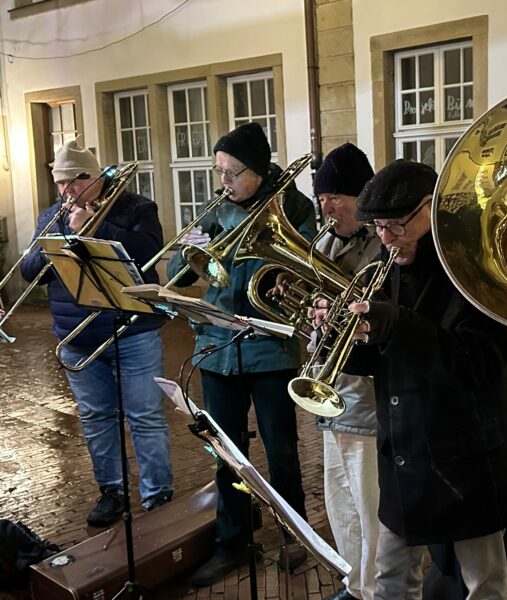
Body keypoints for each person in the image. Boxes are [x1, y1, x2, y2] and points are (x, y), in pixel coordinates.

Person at [317, 159, 507, 599]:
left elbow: (479, 366)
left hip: (465, 459)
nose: (386, 239)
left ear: (429, 208)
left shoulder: (477, 268)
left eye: (395, 225)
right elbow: (381, 362)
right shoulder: (387, 266)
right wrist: (342, 336)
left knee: (484, 585)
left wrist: (395, 324)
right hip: (403, 453)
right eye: (377, 228)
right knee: (390, 581)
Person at [166, 122, 316, 586]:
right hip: (216, 352)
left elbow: (305, 269)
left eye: (231, 173)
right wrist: (192, 253)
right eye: (219, 172)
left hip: (270, 352)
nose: (223, 182)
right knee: (227, 455)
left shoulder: (294, 206)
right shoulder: (214, 211)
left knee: (281, 451)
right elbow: (176, 270)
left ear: (257, 170)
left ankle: (297, 536)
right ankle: (232, 540)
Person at [20, 140, 173, 527]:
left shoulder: (137, 208)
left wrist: (96, 227)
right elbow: (28, 271)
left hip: (132, 330)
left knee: (145, 416)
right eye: (59, 184)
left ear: (92, 178)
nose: (65, 192)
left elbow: (148, 253)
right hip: (77, 335)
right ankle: (112, 491)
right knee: (95, 418)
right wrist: (57, 239)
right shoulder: (51, 216)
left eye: (72, 183)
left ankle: (157, 496)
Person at [300, 142, 382, 600]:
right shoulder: (324, 244)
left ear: (362, 197)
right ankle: (355, 581)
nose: (327, 206)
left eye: (337, 196)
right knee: (339, 499)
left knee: (370, 502)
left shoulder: (380, 247)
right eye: (322, 197)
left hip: (365, 396)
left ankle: (376, 588)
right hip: (330, 392)